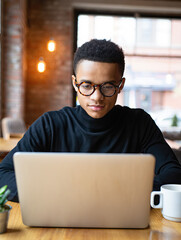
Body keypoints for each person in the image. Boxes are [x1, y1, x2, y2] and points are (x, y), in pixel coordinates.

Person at [1, 39, 181, 202]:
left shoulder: (139, 124)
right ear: (74, 83)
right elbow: (3, 175)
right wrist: (61, 192)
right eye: (87, 85)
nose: (96, 97)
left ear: (121, 86)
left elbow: (174, 175)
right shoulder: (50, 124)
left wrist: (119, 191)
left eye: (108, 86)